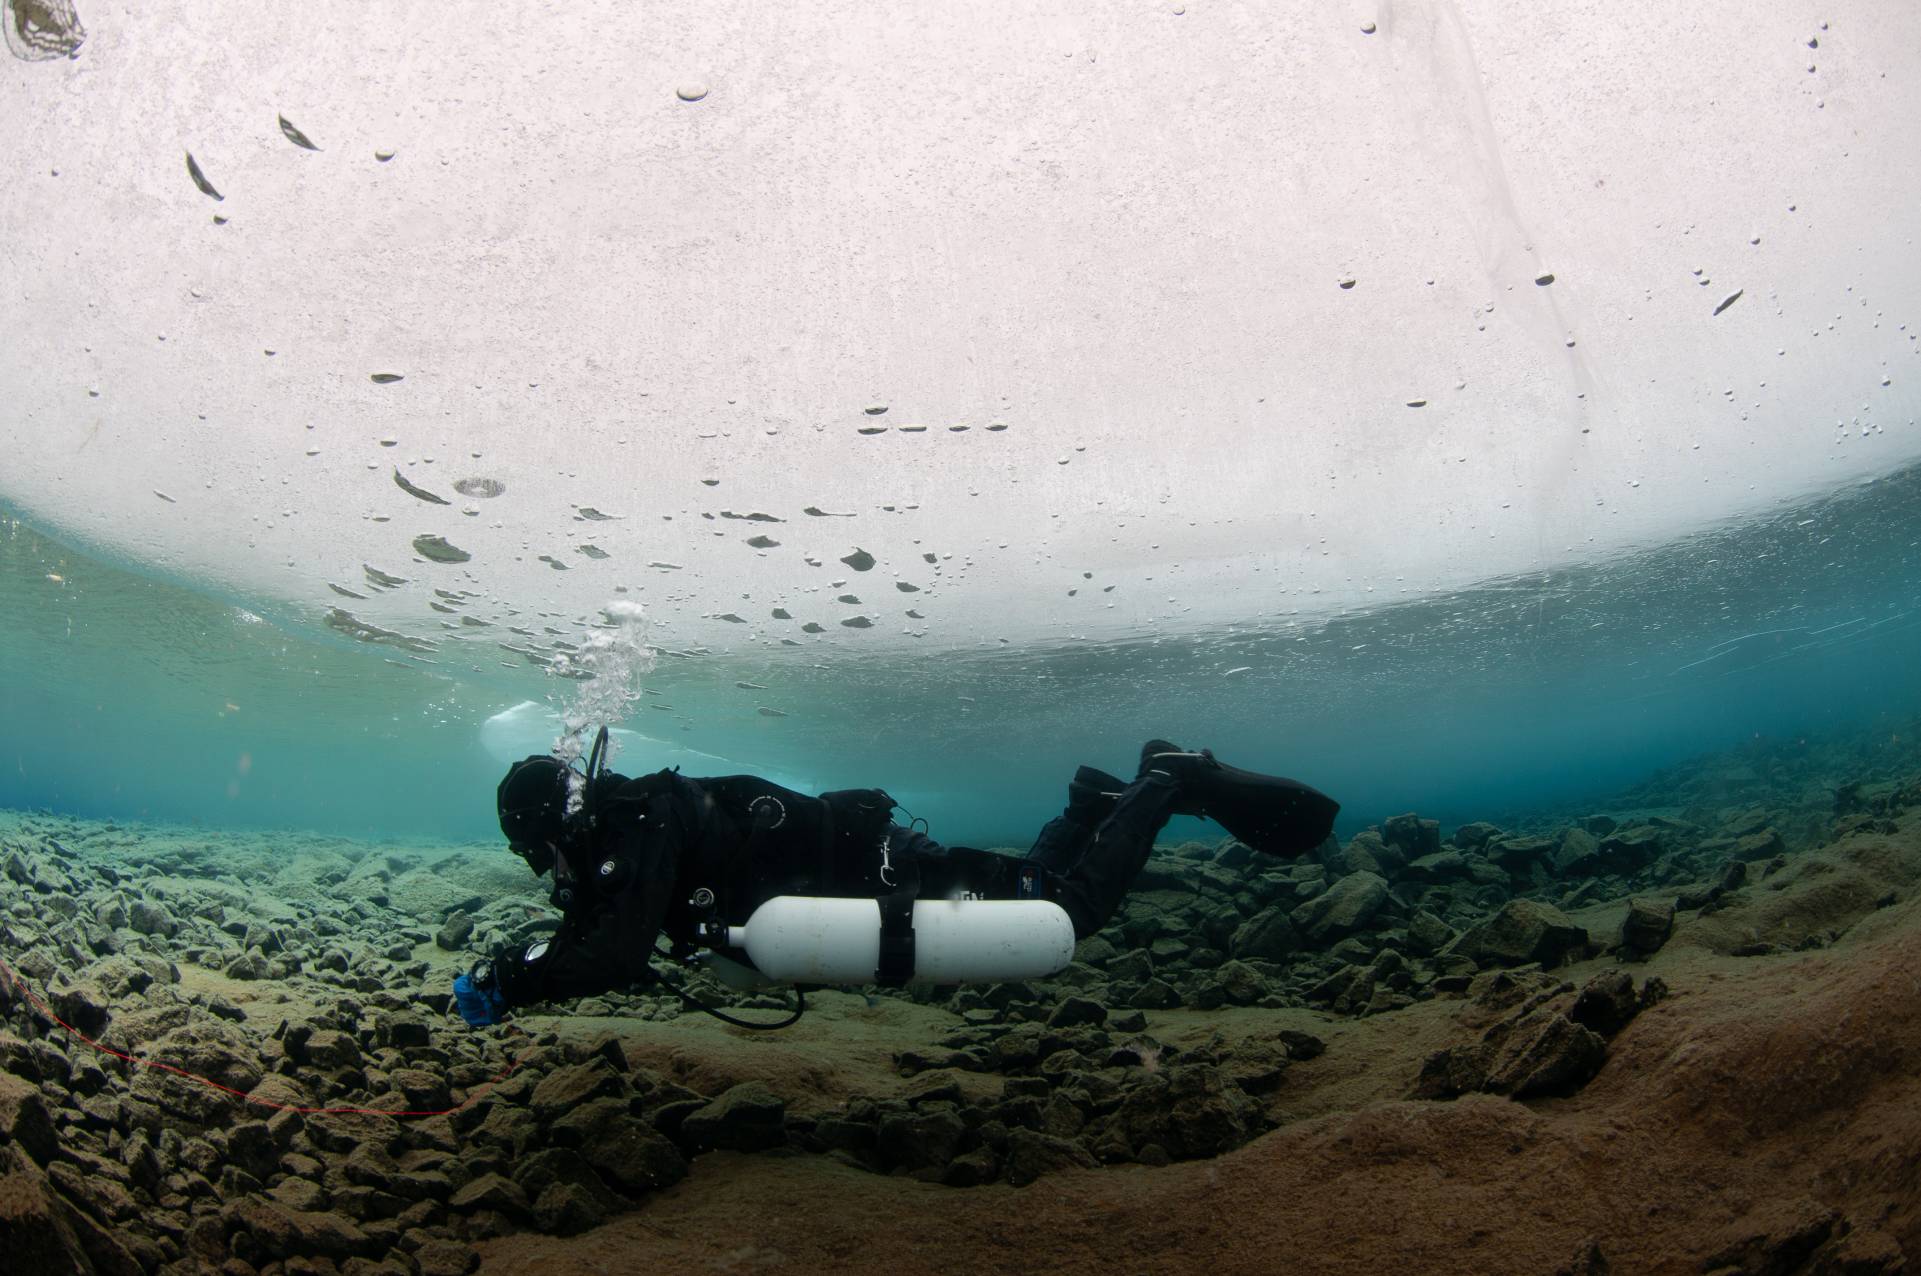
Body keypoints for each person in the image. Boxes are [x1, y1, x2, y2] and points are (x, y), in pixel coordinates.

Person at [452, 737, 1338, 1026]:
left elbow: (610, 950)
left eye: (541, 855)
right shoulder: (643, 820)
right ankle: (1090, 803)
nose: (550, 872)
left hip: (893, 887)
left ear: (554, 829)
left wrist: (513, 982)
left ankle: (1163, 780)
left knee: (1068, 906)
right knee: (1038, 878)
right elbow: (615, 926)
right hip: (883, 884)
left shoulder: (638, 829)